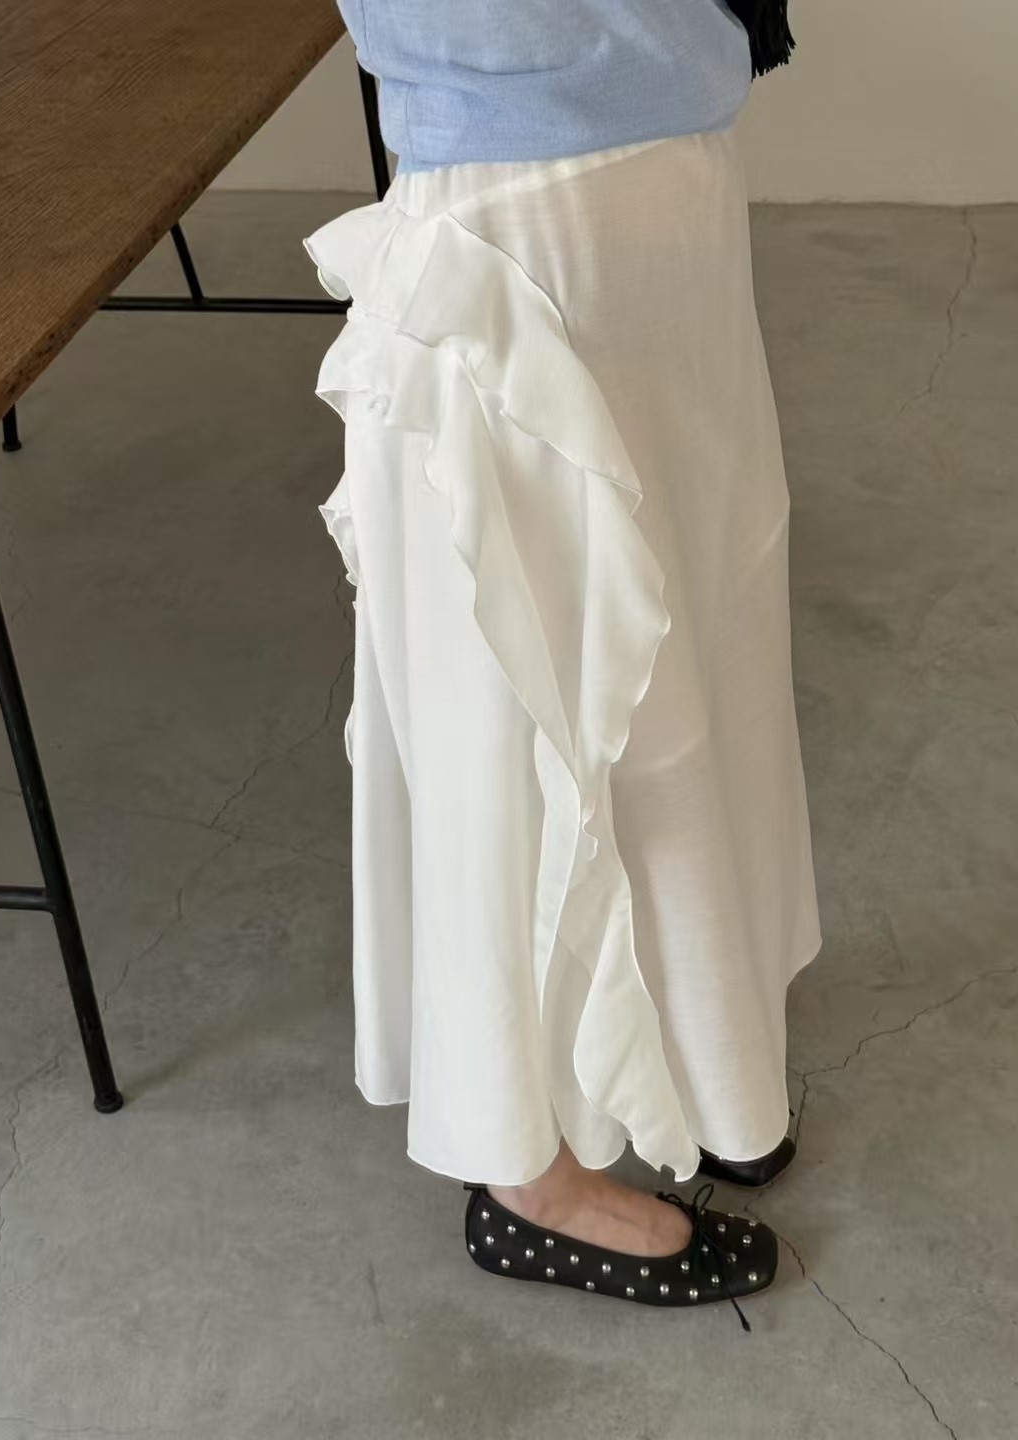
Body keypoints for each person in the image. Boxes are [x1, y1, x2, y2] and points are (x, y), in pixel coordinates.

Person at [303, 0, 820, 1329]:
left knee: (689, 658)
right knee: (519, 704)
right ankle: (526, 1172)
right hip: (510, 195)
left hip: (669, 134)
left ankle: (709, 1066)